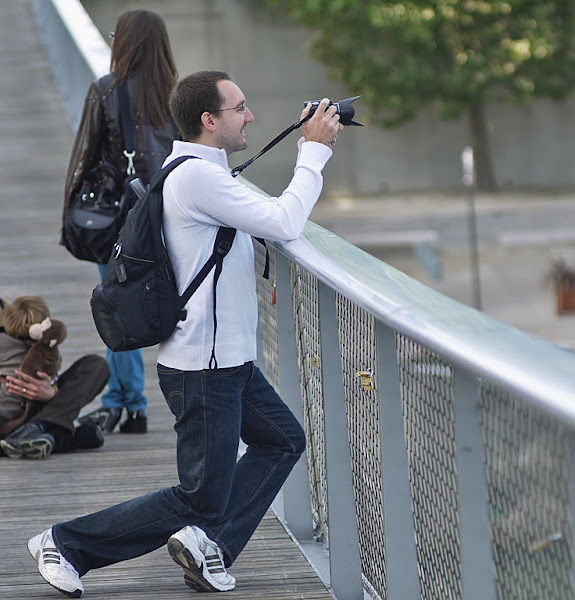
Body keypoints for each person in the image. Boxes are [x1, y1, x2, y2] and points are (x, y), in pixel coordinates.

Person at [27, 71, 343, 596]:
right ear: (209, 120)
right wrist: (313, 152)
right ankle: (66, 542)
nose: (251, 117)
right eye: (241, 108)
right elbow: (285, 221)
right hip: (204, 366)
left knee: (283, 440)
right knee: (198, 495)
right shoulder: (198, 177)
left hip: (227, 359)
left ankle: (207, 546)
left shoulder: (202, 170)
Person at [65, 9, 180, 435]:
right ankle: (146, 400)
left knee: (118, 306)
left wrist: (72, 219)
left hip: (122, 224)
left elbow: (85, 158)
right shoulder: (182, 94)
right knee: (178, 307)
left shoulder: (105, 91)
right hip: (175, 217)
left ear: (123, 44)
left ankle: (127, 401)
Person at [0, 296, 108, 459]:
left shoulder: (47, 344)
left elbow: (52, 373)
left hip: (38, 411)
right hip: (6, 415)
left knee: (96, 365)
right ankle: (58, 438)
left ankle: (35, 429)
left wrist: (52, 392)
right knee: (87, 435)